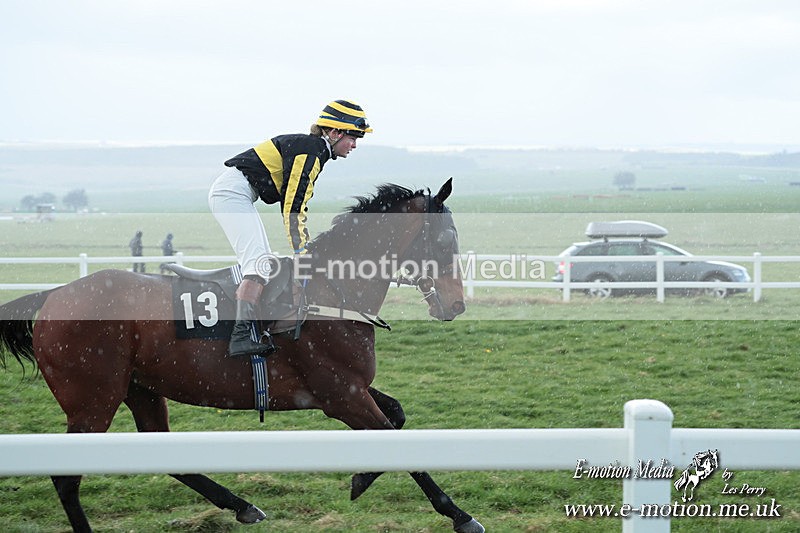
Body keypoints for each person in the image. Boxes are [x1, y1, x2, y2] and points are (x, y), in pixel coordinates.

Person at [208, 99, 372, 357]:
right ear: (334, 133)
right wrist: (301, 252)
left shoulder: (315, 151)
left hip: (236, 192)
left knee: (265, 260)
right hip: (232, 193)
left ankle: (252, 327)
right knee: (258, 264)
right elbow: (294, 206)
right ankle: (240, 338)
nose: (354, 145)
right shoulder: (311, 151)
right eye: (353, 138)